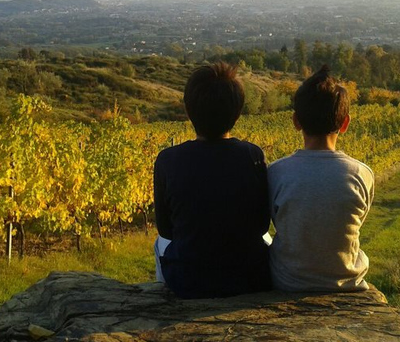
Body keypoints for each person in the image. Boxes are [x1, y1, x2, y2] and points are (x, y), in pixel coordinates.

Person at [153, 62, 271, 298]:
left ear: (188, 111)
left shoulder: (168, 160)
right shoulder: (252, 155)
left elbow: (166, 230)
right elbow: (261, 225)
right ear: (238, 113)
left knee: (159, 244)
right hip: (249, 279)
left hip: (187, 282)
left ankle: (164, 295)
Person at [268, 65, 374, 291]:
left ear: (296, 121)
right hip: (347, 281)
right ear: (345, 123)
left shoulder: (276, 172)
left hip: (287, 282)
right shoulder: (362, 174)